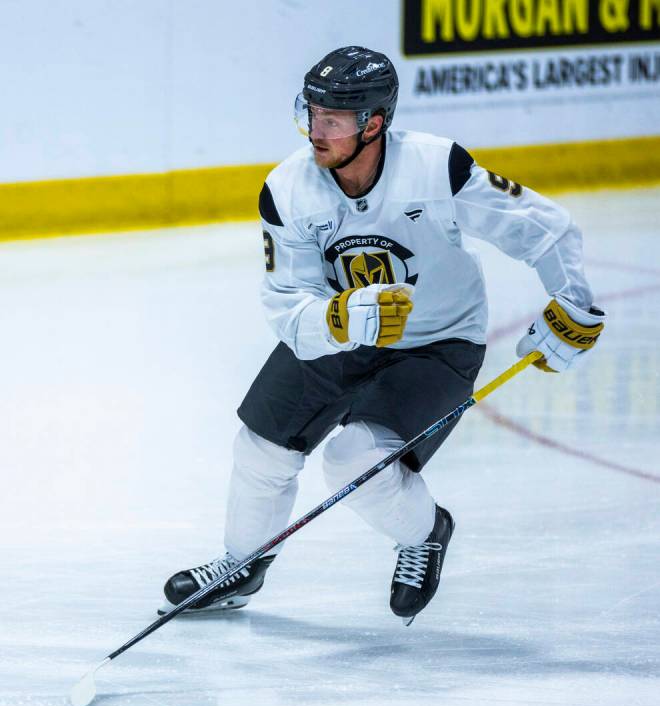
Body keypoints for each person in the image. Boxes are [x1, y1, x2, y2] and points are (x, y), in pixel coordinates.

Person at [159, 46, 605, 624]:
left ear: (374, 123)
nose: (316, 131)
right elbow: (285, 302)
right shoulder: (287, 188)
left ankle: (425, 533)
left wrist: (574, 302)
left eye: (333, 121)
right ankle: (243, 563)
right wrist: (338, 320)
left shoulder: (435, 167)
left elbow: (543, 228)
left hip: (438, 340)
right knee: (261, 447)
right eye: (310, 114)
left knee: (354, 461)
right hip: (340, 336)